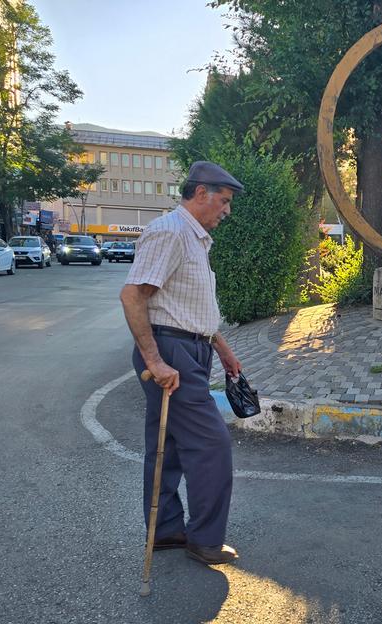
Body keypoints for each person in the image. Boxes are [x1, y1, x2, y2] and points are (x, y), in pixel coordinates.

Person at [119, 161, 245, 566]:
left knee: (168, 446)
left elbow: (189, 306)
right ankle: (204, 540)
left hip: (189, 348)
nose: (227, 210)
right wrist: (155, 360)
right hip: (170, 351)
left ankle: (167, 529)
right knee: (212, 446)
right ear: (201, 193)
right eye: (223, 201)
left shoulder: (194, 238)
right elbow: (133, 296)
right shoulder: (171, 232)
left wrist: (221, 347)